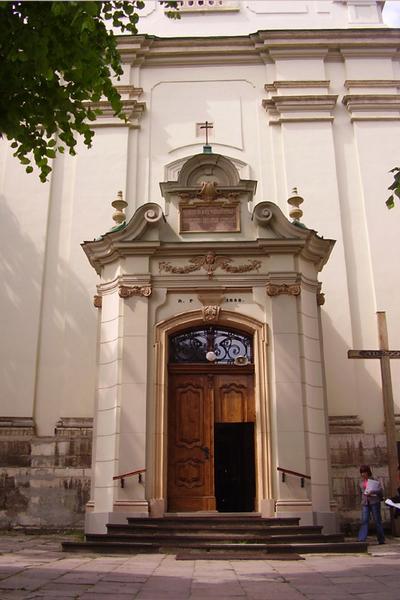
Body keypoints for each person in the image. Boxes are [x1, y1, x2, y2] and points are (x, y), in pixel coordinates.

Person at [357, 464, 385, 544]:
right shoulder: (361, 482)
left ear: (368, 472)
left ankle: (381, 539)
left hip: (374, 501)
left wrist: (372, 491)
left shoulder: (374, 480)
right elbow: (360, 493)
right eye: (362, 473)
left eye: (364, 472)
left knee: (377, 520)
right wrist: (361, 501)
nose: (363, 474)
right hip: (365, 503)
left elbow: (380, 490)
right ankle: (361, 539)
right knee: (364, 520)